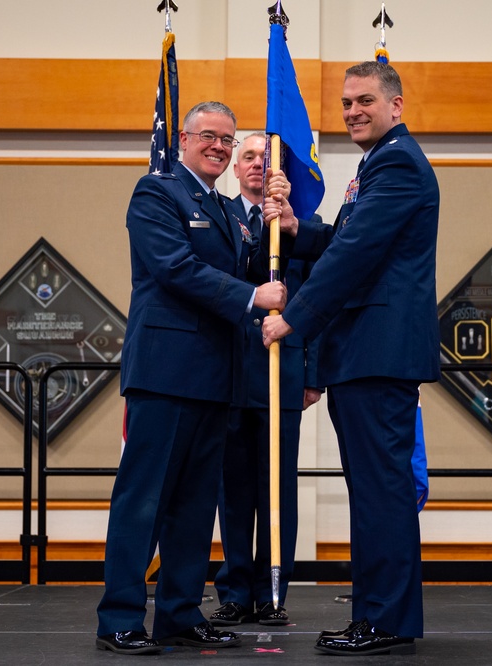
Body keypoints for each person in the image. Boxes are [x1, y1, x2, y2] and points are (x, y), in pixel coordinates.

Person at [95, 101, 293, 655]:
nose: (220, 147)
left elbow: (260, 266)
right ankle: (119, 619)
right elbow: (175, 267)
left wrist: (282, 221)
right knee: (143, 500)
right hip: (165, 373)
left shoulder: (228, 211)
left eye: (228, 141)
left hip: (216, 378)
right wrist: (253, 296)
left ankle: (179, 614)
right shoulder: (156, 192)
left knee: (193, 505)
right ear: (183, 139)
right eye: (210, 136)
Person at [261, 61, 440, 656]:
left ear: (396, 105)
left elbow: (357, 254)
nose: (352, 111)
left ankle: (385, 621)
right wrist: (295, 227)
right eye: (345, 102)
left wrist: (296, 316)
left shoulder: (396, 161)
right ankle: (378, 615)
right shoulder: (377, 164)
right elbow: (343, 238)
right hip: (365, 351)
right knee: (372, 489)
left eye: (365, 99)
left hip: (378, 350)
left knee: (381, 489)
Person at [209, 132, 322, 628]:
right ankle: (234, 590)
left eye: (267, 158)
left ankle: (273, 590)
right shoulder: (218, 219)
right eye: (249, 156)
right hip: (232, 369)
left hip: (285, 369)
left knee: (279, 488)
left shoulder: (307, 228)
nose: (258, 165)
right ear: (236, 168)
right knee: (233, 490)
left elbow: (323, 302)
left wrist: (314, 372)